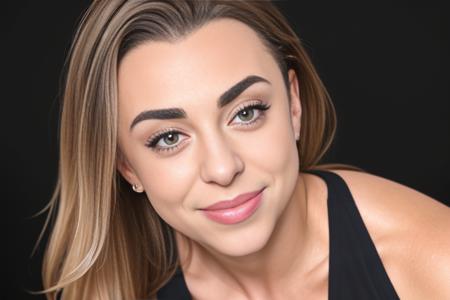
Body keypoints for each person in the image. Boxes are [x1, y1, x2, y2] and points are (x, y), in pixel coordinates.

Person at [34, 0, 450, 299]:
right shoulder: (117, 291)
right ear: (127, 168)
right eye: (168, 138)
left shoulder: (435, 262)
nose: (222, 167)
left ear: (294, 105)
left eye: (246, 112)